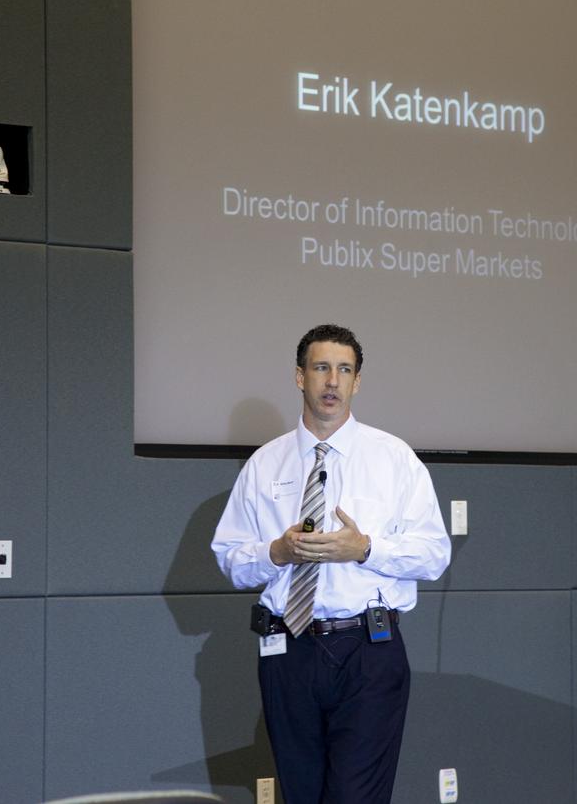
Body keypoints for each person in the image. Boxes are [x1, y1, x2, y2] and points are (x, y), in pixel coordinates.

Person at [212, 324, 451, 803]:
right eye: (321, 368)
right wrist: (276, 552)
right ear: (300, 377)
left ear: (357, 382)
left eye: (344, 370)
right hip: (287, 649)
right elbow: (230, 559)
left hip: (368, 650)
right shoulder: (265, 464)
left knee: (354, 796)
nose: (332, 381)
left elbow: (434, 555)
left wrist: (365, 549)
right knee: (301, 794)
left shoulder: (393, 458)